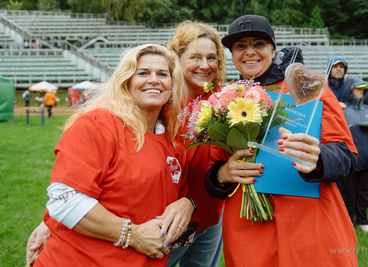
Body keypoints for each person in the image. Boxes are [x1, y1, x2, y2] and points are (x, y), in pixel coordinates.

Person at [27, 22, 227, 267]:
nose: (204, 65)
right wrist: (50, 221)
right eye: (142, 73)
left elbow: (180, 185)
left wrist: (190, 202)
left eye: (162, 74)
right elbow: (67, 195)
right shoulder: (103, 122)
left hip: (192, 226)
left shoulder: (176, 130)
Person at [205, 15, 358, 266]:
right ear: (232, 54)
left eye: (258, 44)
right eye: (240, 46)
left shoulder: (307, 87)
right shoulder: (224, 99)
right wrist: (222, 174)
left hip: (309, 223)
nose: (249, 52)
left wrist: (319, 159)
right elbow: (214, 169)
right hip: (249, 230)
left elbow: (347, 156)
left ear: (273, 50)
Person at [166, 20, 226, 267]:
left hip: (212, 217)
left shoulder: (227, 100)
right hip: (174, 219)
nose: (205, 65)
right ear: (177, 59)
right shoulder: (160, 101)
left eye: (211, 57)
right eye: (195, 57)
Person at [340, 77, 368, 234]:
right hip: (351, 161)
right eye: (358, 88)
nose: (362, 90)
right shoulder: (342, 111)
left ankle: (363, 221)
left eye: (363, 88)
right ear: (349, 90)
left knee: (364, 191)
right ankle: (347, 221)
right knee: (347, 192)